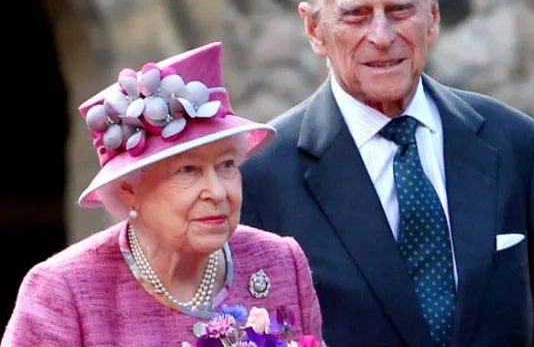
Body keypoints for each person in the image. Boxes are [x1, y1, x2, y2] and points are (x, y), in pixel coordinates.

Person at [239, 0, 534, 346]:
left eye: (400, 10)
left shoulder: (516, 144)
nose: (382, 36)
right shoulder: (261, 178)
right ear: (315, 29)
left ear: (432, 15)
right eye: (356, 14)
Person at [1, 42, 323, 346]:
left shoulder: (282, 262)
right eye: (188, 170)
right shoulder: (63, 292)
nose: (216, 191)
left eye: (226, 165)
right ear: (129, 189)